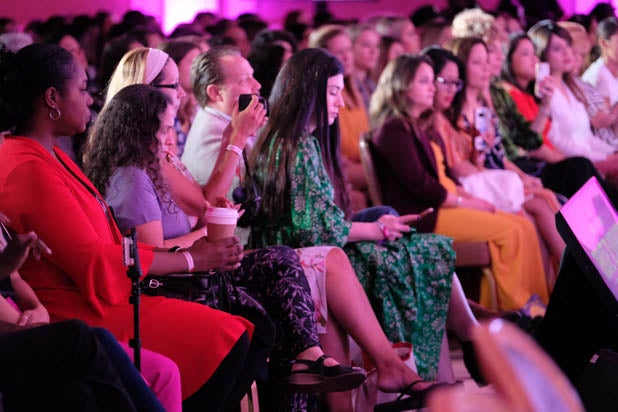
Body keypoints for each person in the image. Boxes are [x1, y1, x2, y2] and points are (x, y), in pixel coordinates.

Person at [99, 47, 446, 411]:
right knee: (328, 262)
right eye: (173, 87)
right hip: (198, 271)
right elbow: (170, 239)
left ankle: (366, 369)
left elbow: (207, 210)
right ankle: (381, 369)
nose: (183, 94)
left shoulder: (162, 153)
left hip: (219, 254)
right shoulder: (146, 164)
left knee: (334, 260)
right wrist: (235, 141)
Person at [0, 42, 260, 412]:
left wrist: (190, 255)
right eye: (82, 89)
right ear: (53, 98)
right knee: (229, 338)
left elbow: (112, 245)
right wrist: (190, 260)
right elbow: (95, 261)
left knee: (241, 333)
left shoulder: (49, 153)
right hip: (78, 306)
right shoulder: (28, 167)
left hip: (103, 294)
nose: (91, 100)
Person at [84, 83, 367, 410]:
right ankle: (309, 360)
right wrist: (204, 236)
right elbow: (151, 253)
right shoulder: (132, 178)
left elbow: (195, 212)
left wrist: (208, 223)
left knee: (283, 272)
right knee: (278, 281)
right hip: (176, 284)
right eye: (163, 130)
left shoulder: (152, 168)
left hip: (197, 269)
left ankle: (309, 356)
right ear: (139, 132)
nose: (169, 138)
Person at [250, 48, 482, 387]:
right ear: (306, 92)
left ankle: (452, 359)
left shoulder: (289, 140)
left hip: (308, 248)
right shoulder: (297, 145)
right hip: (304, 256)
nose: (341, 103)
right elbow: (313, 230)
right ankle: (450, 355)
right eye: (333, 92)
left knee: (418, 246)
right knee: (422, 252)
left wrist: (376, 227)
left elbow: (320, 220)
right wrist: (374, 230)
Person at [370, 51, 551, 307]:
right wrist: (465, 203)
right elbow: (421, 185)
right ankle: (516, 306)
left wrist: (468, 198)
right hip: (425, 216)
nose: (432, 88)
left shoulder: (415, 125)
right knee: (510, 231)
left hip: (441, 205)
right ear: (401, 86)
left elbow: (439, 178)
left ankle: (538, 304)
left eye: (432, 80)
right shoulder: (394, 129)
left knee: (522, 225)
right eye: (424, 81)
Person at [0, 214, 181, 412]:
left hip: (22, 322)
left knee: (160, 371)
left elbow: (14, 279)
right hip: (13, 330)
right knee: (78, 336)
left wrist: (37, 306)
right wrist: (25, 324)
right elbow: (94, 259)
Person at [527, 20, 618, 174]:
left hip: (590, 158)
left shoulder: (571, 86)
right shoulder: (542, 92)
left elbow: (586, 137)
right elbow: (558, 141)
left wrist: (611, 153)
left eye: (568, 45)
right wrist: (604, 159)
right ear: (542, 53)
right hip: (572, 167)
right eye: (557, 48)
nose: (567, 53)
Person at [309, 25, 370, 211]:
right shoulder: (323, 97)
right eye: (339, 52)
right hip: (338, 167)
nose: (346, 57)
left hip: (359, 163)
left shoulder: (356, 90)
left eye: (348, 50)